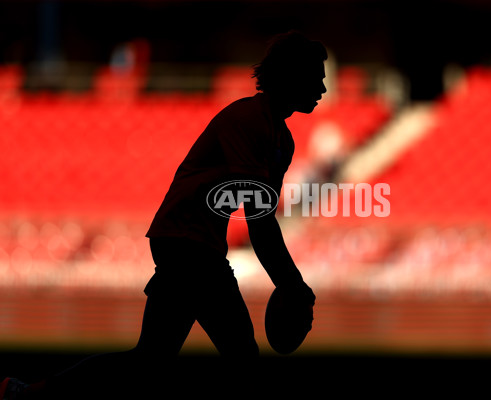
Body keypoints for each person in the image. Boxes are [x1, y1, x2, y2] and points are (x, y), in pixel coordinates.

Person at [0, 30, 326, 399]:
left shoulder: (281, 139)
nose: (323, 88)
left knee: (150, 360)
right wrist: (290, 282)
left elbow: (260, 216)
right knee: (240, 357)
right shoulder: (249, 119)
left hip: (191, 242)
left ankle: (27, 394)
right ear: (291, 75)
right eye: (316, 76)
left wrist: (289, 282)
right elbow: (258, 218)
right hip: (188, 243)